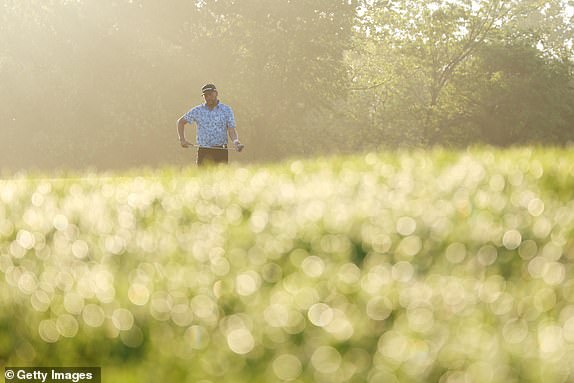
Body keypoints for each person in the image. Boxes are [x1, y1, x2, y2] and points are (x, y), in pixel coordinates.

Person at [177, 84, 244, 166]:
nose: (208, 97)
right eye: (205, 95)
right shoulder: (197, 110)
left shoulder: (226, 110)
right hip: (204, 151)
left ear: (216, 93)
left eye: (210, 94)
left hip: (221, 150)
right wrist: (182, 140)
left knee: (221, 177)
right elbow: (180, 122)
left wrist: (236, 142)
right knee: (203, 177)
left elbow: (231, 129)